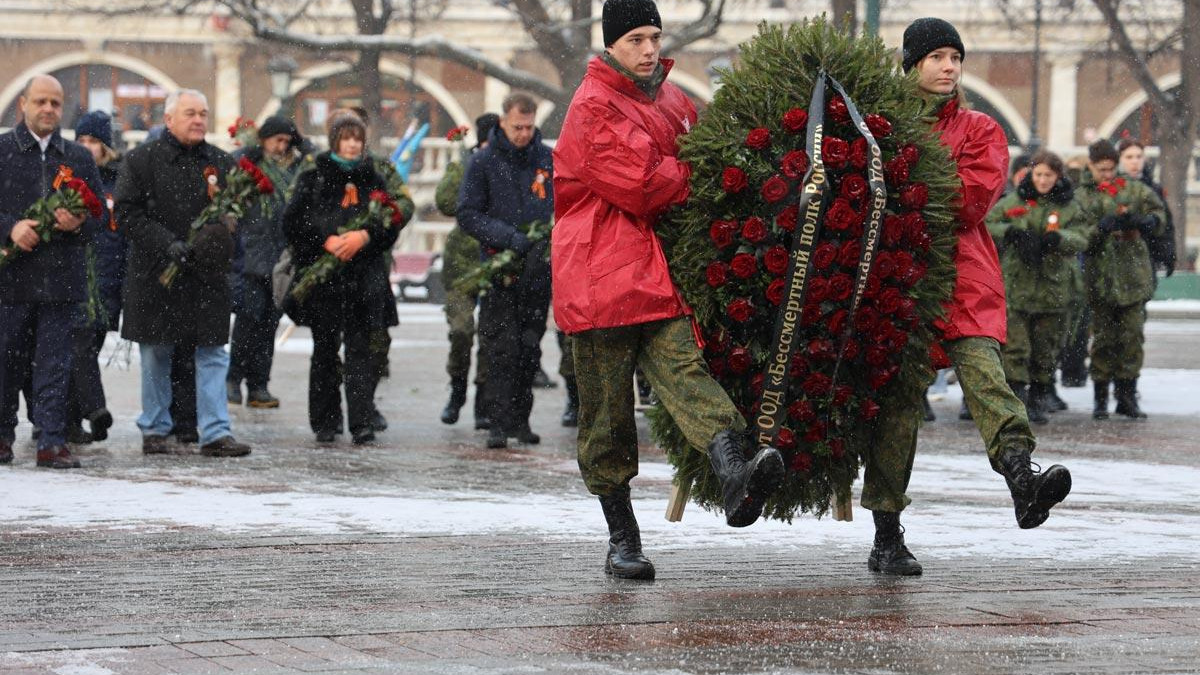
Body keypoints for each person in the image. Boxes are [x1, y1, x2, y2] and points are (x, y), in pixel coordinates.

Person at [552, 0, 785, 581]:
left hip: (655, 274)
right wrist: (701, 174)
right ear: (611, 45)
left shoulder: (673, 100)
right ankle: (622, 538)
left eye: (654, 37)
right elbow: (643, 185)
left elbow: (698, 152)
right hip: (600, 275)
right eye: (636, 39)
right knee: (607, 418)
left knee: (686, 371)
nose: (650, 49)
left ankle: (736, 474)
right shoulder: (592, 106)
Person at [858, 19, 1073, 576]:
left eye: (955, 57)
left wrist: (907, 185)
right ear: (912, 64)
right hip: (900, 279)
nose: (949, 66)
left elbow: (969, 201)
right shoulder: (880, 125)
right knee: (898, 409)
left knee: (985, 375)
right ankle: (886, 535)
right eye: (936, 57)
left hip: (963, 277)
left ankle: (1022, 478)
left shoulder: (981, 128)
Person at [115, 88, 251, 458]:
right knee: (157, 352)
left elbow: (238, 212)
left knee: (212, 352)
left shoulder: (221, 163)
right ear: (169, 118)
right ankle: (155, 428)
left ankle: (216, 432)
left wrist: (222, 231)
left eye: (203, 114)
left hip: (207, 276)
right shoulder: (141, 160)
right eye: (190, 113)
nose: (198, 120)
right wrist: (167, 243)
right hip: (156, 274)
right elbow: (126, 214)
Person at [0, 74, 106, 469]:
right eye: (41, 101)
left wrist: (78, 223)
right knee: (6, 362)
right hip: (11, 278)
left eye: (55, 103)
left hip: (62, 279)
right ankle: (2, 436)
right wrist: (10, 227)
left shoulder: (78, 157)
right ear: (23, 104)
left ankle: (51, 440)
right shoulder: (3, 151)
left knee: (55, 365)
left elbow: (100, 218)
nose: (48, 109)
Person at [281, 111, 400, 444]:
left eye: (357, 139)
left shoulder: (373, 179)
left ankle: (361, 421)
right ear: (335, 141)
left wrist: (365, 237)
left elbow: (390, 223)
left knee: (361, 352)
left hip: (363, 280)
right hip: (326, 280)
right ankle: (325, 421)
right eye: (346, 138)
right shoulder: (314, 177)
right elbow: (293, 222)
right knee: (325, 351)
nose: (352, 145)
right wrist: (325, 240)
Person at [458, 93, 554, 450]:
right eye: (517, 127)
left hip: (537, 268)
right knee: (501, 348)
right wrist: (508, 238)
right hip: (499, 267)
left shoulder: (546, 159)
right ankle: (497, 422)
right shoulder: (483, 161)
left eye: (529, 127)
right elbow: (468, 213)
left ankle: (521, 420)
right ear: (503, 122)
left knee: (530, 347)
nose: (523, 134)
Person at [986, 151, 1089, 424]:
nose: (1043, 180)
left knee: (1046, 350)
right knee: (1016, 349)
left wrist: (1059, 239)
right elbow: (989, 223)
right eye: (1039, 174)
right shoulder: (1014, 201)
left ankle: (1039, 397)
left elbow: (1083, 236)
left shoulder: (1069, 206)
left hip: (1053, 289)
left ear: (1058, 176)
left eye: (1049, 175)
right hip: (1018, 286)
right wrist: (1012, 233)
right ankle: (1017, 399)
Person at [1075, 139, 1166, 419]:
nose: (1107, 175)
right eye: (1101, 169)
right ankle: (1100, 396)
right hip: (1100, 277)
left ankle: (1127, 395)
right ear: (1091, 166)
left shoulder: (1133, 189)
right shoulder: (1082, 196)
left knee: (1131, 339)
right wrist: (1100, 230)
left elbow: (1158, 213)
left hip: (1132, 274)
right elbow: (1078, 236)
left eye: (1111, 169)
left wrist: (1147, 221)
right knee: (1103, 340)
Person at [226, 116, 312, 409]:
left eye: (287, 141)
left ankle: (259, 385)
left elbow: (315, 163)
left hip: (283, 258)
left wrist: (303, 143)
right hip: (252, 254)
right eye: (277, 140)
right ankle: (233, 379)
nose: (282, 146)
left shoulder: (296, 169)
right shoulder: (249, 165)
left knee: (269, 324)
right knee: (249, 320)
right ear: (263, 139)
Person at [64, 110, 124, 444]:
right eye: (82, 140)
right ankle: (95, 407)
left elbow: (121, 235)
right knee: (79, 345)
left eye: (94, 141)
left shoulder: (118, 182)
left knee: (89, 347)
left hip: (107, 280)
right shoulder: (65, 179)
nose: (87, 147)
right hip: (75, 276)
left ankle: (71, 421)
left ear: (106, 147)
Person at [435, 112, 498, 430]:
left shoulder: (504, 166)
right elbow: (445, 202)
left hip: (494, 263)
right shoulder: (466, 165)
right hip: (461, 265)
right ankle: (456, 390)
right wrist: (461, 170)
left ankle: (483, 402)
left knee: (489, 337)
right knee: (461, 332)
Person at [1117, 138, 1175, 278]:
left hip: (1146, 258)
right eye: (1129, 157)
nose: (1135, 161)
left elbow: (1166, 224)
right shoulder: (1111, 187)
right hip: (1116, 258)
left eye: (1139, 156)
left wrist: (1169, 254)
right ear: (1119, 159)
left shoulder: (1153, 188)